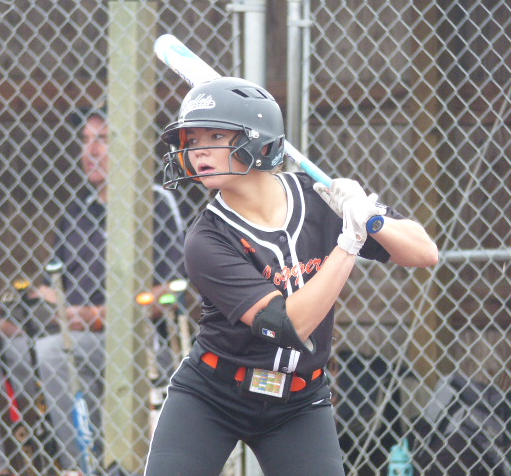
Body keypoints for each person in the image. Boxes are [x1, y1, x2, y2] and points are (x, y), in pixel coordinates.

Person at [144, 77, 439, 476]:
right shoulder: (206, 239)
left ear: (258, 140)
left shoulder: (318, 199)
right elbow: (288, 325)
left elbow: (424, 252)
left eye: (215, 136)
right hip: (213, 394)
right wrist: (349, 242)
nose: (199, 151)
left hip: (299, 401)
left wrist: (369, 218)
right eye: (193, 140)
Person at [0, 108, 185, 476]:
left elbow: (173, 292)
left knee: (55, 352)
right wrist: (3, 327)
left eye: (103, 140)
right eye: (85, 141)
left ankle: (82, 469)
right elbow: (52, 297)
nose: (91, 151)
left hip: (137, 348)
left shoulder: (156, 203)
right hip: (64, 340)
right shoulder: (76, 213)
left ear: (130, 147)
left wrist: (98, 316)